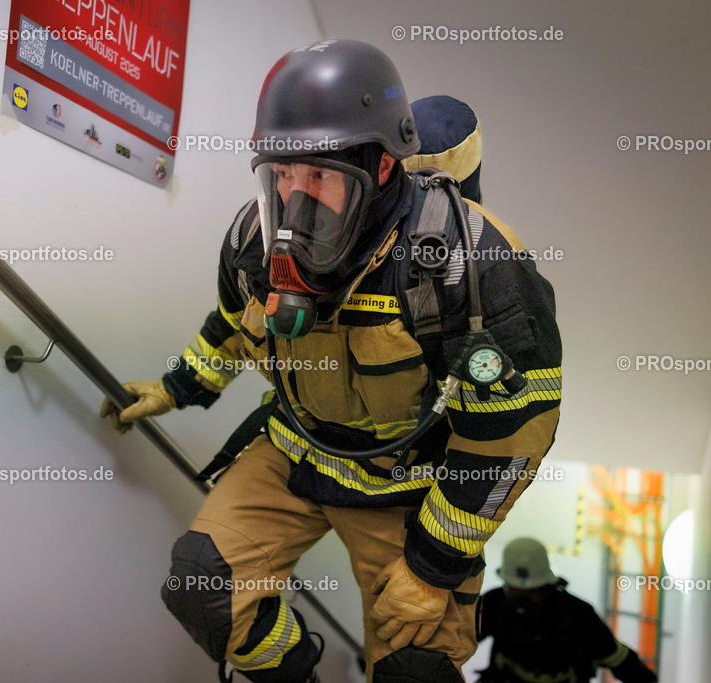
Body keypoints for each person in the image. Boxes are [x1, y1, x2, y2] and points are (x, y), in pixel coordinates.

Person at [101, 39, 562, 683]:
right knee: (205, 590)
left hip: (406, 482)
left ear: (378, 167)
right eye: (281, 177)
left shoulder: (465, 262)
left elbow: (511, 430)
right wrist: (175, 386)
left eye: (320, 176)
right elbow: (235, 326)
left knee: (415, 670)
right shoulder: (250, 242)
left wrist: (434, 566)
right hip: (294, 450)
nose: (294, 204)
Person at [476, 538, 658, 683]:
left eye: (532, 592)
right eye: (515, 591)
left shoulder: (578, 616)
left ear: (547, 586)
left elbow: (623, 662)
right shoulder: (495, 604)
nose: (523, 602)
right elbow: (457, 639)